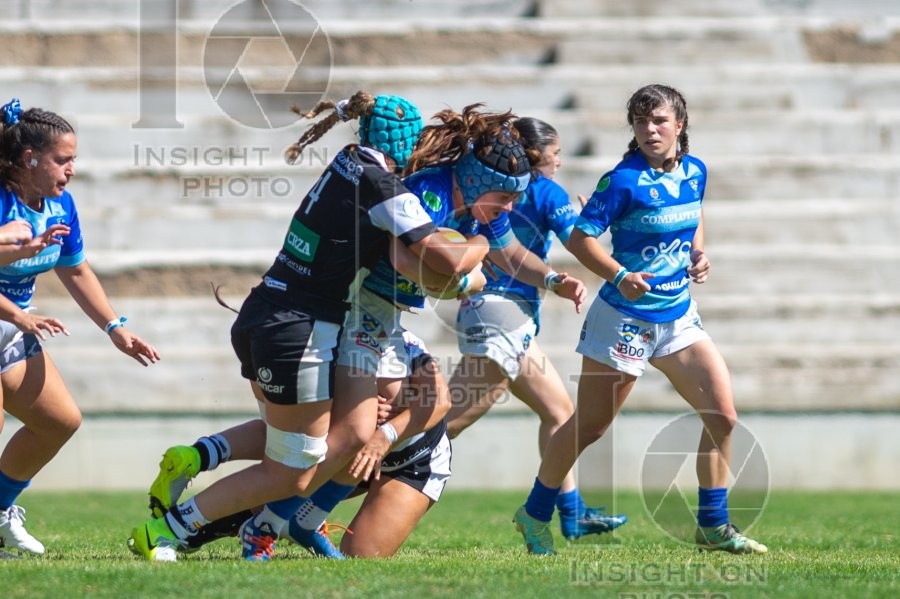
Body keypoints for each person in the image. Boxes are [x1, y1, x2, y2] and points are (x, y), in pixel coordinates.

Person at [128, 92, 480, 562]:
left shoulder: (346, 161)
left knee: (311, 439)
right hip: (302, 329)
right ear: (403, 141)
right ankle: (167, 531)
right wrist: (480, 246)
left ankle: (201, 462)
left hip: (263, 311)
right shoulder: (382, 187)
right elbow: (436, 255)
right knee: (289, 471)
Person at [513, 84, 767, 555]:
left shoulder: (695, 171)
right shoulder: (622, 181)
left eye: (659, 121)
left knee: (723, 417)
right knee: (589, 427)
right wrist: (620, 274)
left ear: (680, 124)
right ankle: (533, 512)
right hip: (624, 320)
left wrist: (698, 251)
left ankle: (713, 527)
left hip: (678, 317)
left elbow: (694, 213)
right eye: (641, 122)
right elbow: (582, 239)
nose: (650, 130)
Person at [445, 117, 627, 540]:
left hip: (492, 313)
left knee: (560, 413)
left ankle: (572, 509)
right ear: (535, 156)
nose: (559, 162)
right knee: (441, 425)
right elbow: (576, 238)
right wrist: (601, 227)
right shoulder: (544, 191)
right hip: (502, 318)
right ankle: (332, 486)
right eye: (556, 154)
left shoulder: (491, 190)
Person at [0, 98, 160, 555]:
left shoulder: (60, 205)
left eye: (73, 161)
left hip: (13, 329)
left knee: (59, 422)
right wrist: (18, 314)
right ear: (30, 158)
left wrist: (115, 328)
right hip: (11, 321)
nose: (71, 170)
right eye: (63, 160)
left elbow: (76, 270)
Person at [143, 330, 452, 559]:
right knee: (292, 467)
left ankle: (207, 463)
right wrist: (363, 412)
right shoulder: (328, 343)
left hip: (412, 462)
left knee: (362, 555)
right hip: (348, 454)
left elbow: (440, 401)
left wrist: (384, 434)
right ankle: (211, 529)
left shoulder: (402, 344)